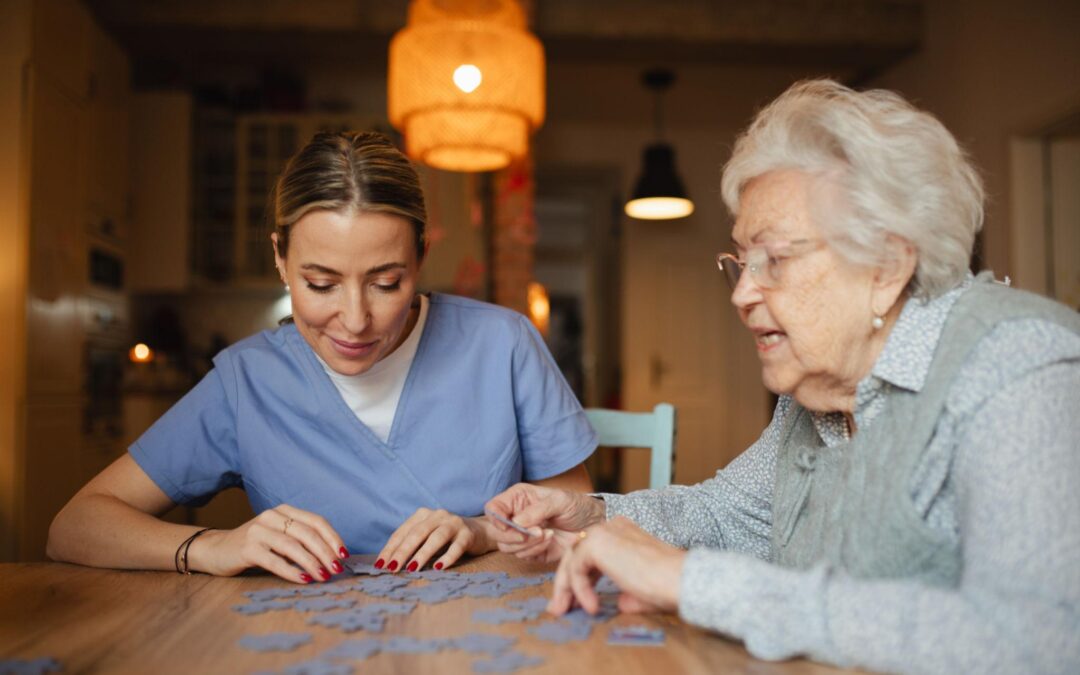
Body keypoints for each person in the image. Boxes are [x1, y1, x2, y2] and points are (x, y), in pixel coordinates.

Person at [486, 80, 1080, 674]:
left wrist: (691, 582)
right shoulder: (818, 395)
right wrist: (589, 515)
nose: (742, 293)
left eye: (774, 260)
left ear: (886, 267)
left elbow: (1039, 640)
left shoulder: (1016, 366)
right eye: (742, 262)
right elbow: (723, 514)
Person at [48, 131, 595, 584]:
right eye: (321, 283)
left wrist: (480, 531)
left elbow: (579, 511)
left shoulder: (502, 343)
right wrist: (213, 546)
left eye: (386, 283)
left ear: (421, 257)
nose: (355, 319)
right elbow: (73, 526)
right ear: (281, 260)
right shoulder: (247, 381)